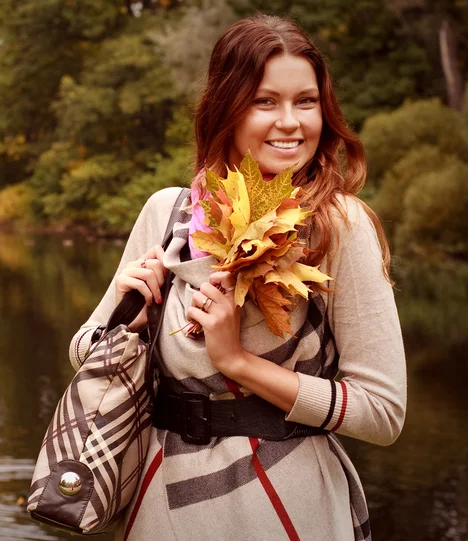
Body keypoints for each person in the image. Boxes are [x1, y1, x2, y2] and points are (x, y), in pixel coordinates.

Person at [69, 14, 406, 541]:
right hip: (163, 505)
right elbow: (86, 356)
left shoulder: (340, 226)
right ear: (226, 107)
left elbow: (382, 412)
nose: (291, 122)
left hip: (286, 504)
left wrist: (238, 363)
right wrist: (128, 315)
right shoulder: (167, 214)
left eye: (307, 101)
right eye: (265, 101)